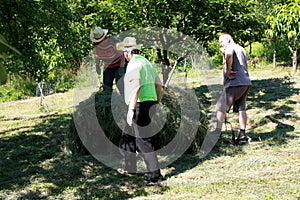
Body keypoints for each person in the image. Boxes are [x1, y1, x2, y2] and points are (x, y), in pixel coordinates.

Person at [117, 36, 164, 184]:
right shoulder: (146, 62)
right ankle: (130, 168)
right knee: (127, 135)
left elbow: (136, 87)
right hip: (149, 102)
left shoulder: (133, 64)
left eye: (124, 51)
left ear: (127, 52)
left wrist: (131, 109)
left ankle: (155, 176)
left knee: (143, 140)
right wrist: (157, 101)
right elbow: (159, 84)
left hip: (139, 104)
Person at [215, 33, 252, 144]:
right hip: (245, 82)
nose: (221, 44)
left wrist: (229, 69)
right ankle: (242, 134)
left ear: (228, 40)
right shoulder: (241, 48)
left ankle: (216, 133)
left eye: (222, 42)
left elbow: (229, 54)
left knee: (220, 107)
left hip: (235, 83)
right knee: (241, 108)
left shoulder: (230, 47)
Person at [90, 27, 126, 92]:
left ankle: (123, 99)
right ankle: (107, 99)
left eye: (100, 40)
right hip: (108, 66)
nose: (99, 42)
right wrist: (97, 65)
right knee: (107, 85)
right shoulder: (96, 45)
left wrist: (122, 67)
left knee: (120, 84)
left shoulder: (113, 42)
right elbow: (97, 55)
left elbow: (122, 55)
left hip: (118, 64)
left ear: (104, 37)